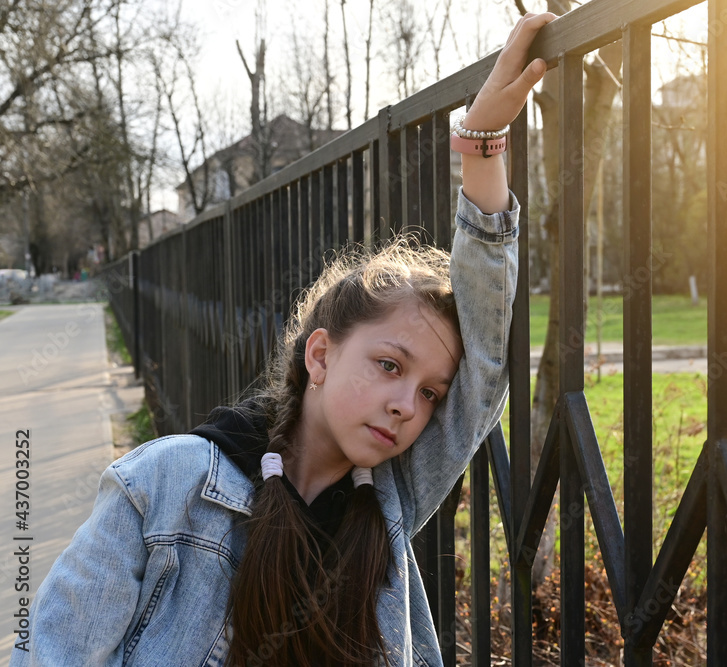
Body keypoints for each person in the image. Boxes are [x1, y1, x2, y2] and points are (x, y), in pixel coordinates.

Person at [11, 11, 556, 667]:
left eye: (431, 393)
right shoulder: (165, 485)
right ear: (320, 354)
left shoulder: (387, 500)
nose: (408, 404)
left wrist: (482, 142)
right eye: (389, 364)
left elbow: (487, 364)